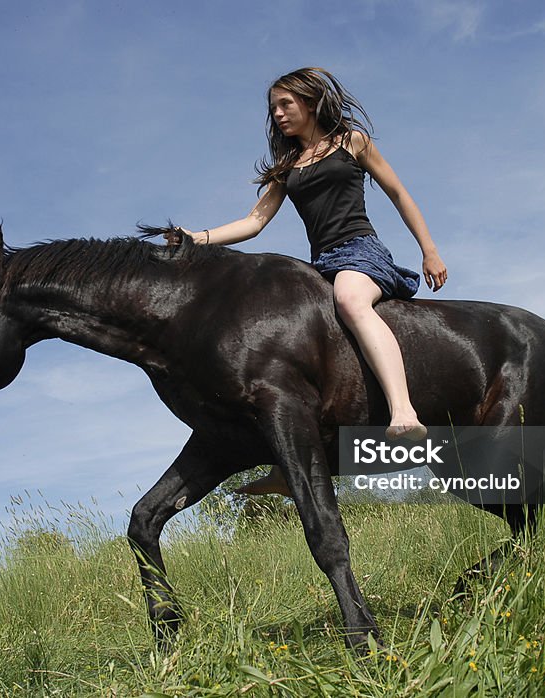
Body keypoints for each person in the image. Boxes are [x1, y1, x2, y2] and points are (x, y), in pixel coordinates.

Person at [167, 67, 447, 496]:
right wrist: (195, 238)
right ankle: (290, 461)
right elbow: (254, 222)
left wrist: (429, 249)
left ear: (310, 102)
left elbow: (399, 193)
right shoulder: (288, 167)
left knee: (352, 301)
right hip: (321, 265)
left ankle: (404, 411)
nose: (278, 114)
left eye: (286, 104)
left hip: (361, 251)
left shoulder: (351, 141)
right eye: (273, 108)